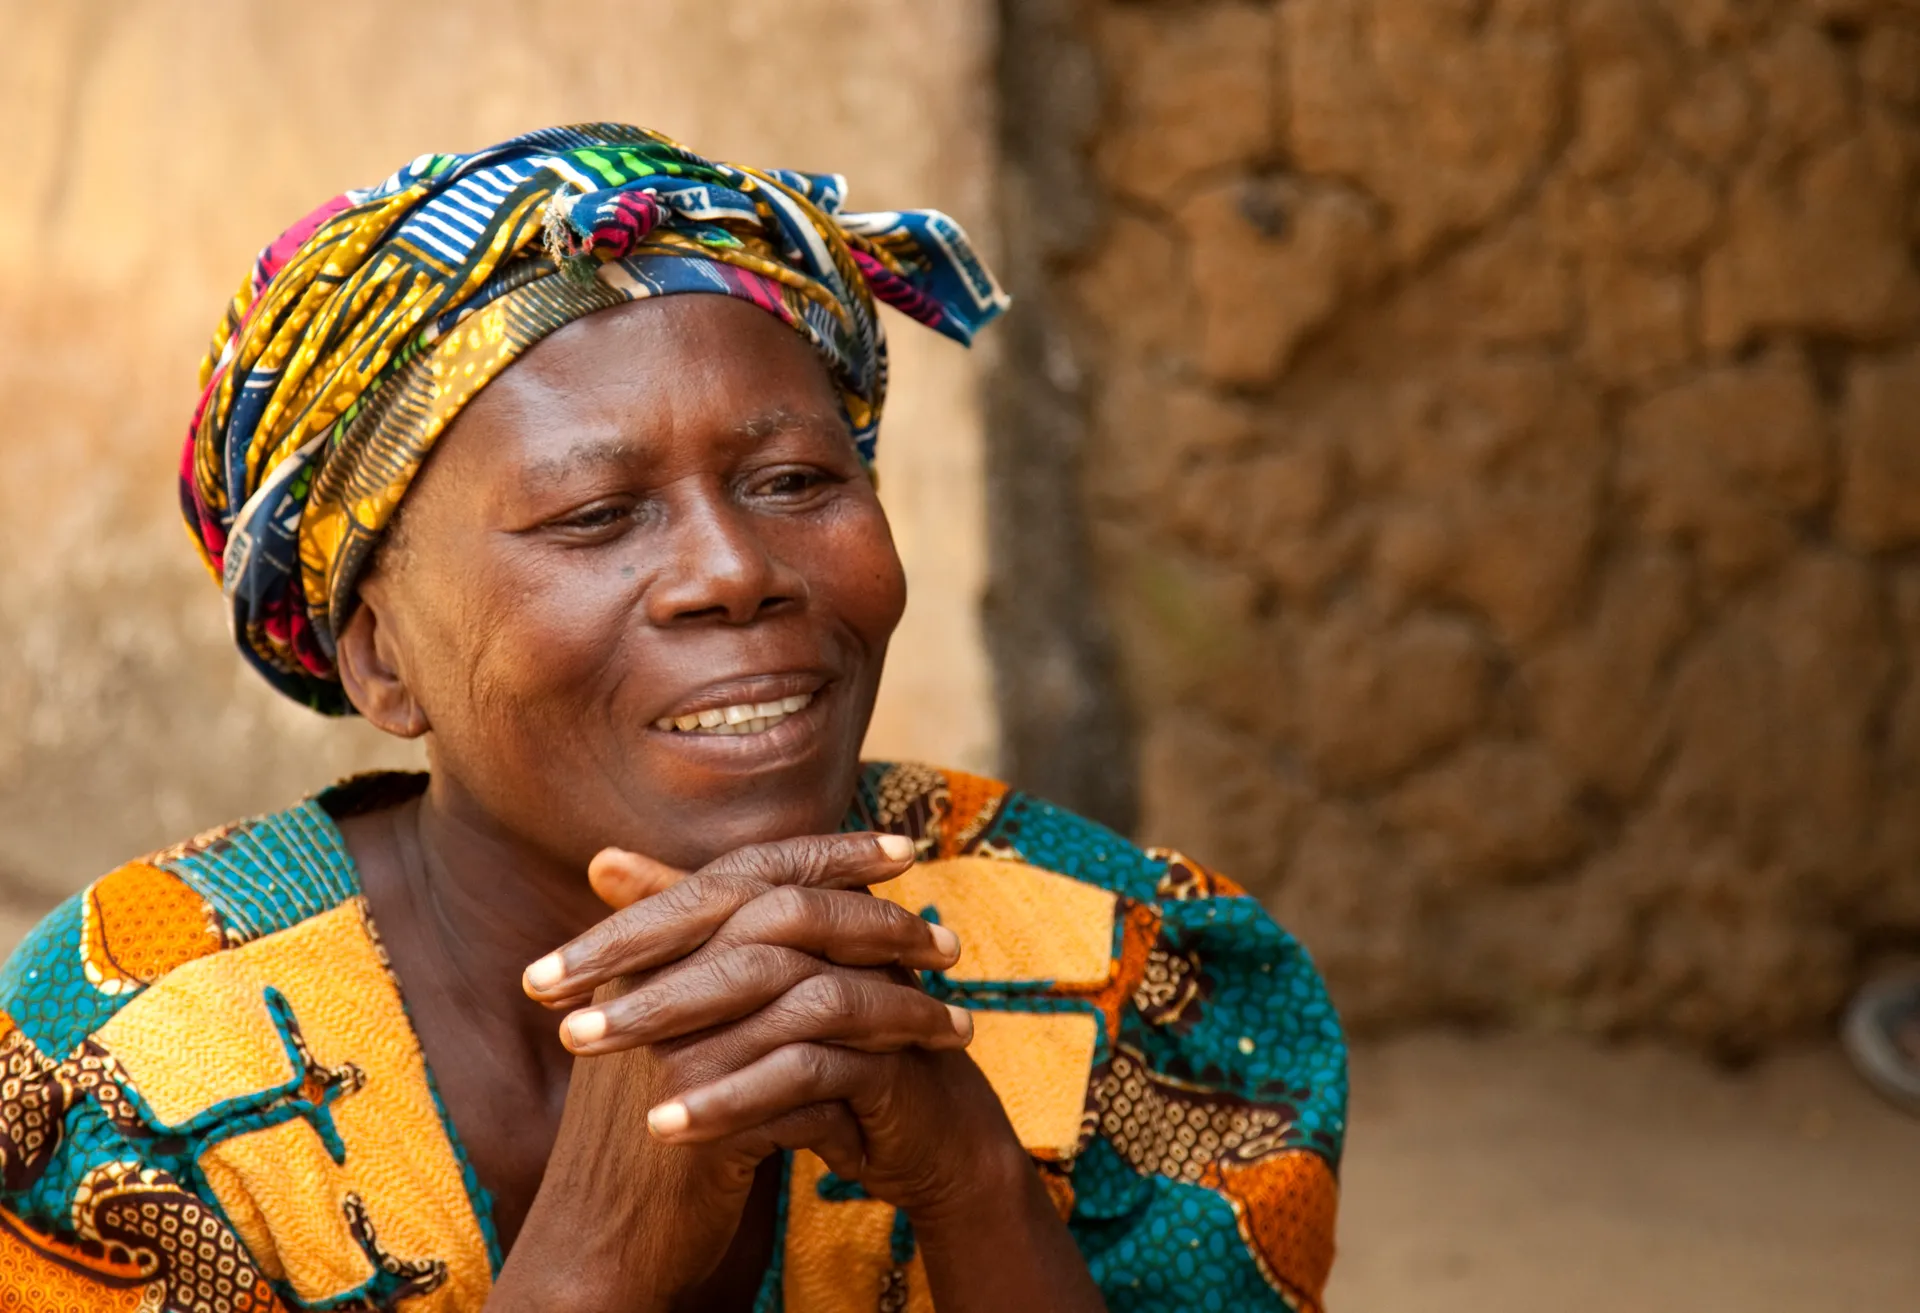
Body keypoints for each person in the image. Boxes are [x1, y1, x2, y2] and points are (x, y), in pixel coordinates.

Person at [0, 124, 1346, 1312]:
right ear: (380, 658)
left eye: (793, 480)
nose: (733, 570)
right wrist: (597, 1250)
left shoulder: (1113, 966)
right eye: (596, 515)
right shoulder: (130, 1081)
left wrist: (976, 1180)